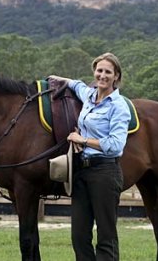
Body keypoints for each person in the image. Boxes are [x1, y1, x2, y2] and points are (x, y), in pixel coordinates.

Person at [50, 52, 131, 261]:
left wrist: (82, 140)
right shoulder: (89, 95)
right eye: (99, 70)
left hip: (105, 172)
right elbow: (76, 84)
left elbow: (115, 145)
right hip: (82, 171)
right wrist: (57, 78)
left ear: (116, 76)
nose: (102, 75)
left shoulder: (119, 106)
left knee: (106, 236)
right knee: (79, 235)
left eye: (108, 72)